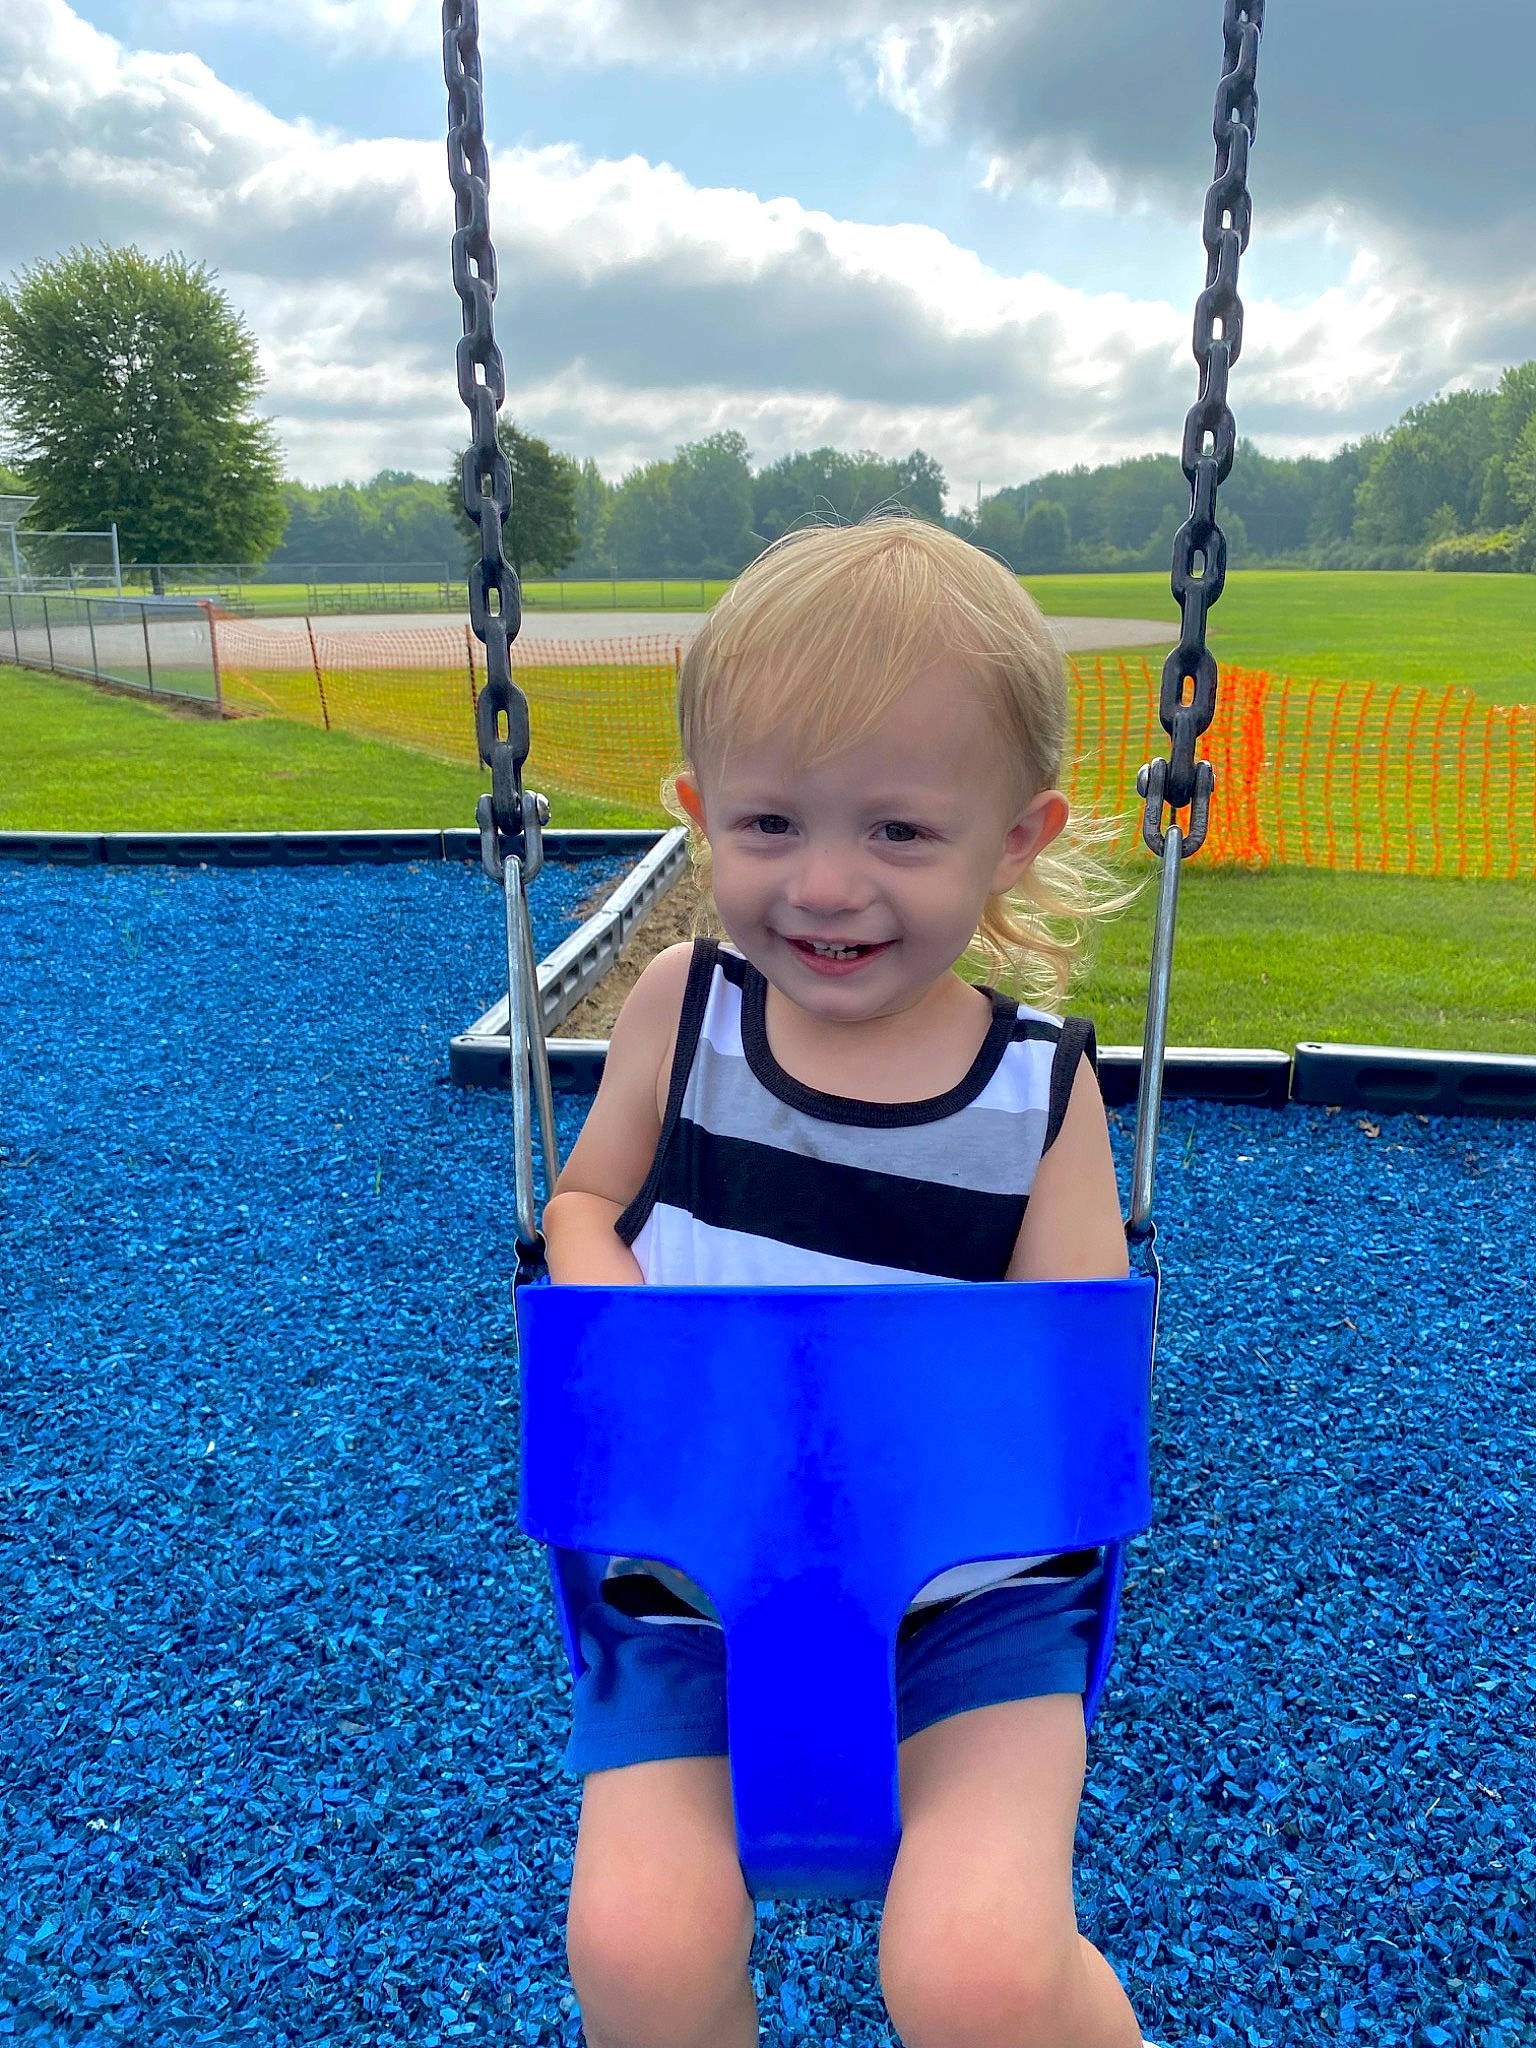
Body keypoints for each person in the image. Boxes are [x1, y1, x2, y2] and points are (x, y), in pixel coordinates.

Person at [541, 515, 1152, 2048]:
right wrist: (640, 1323)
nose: (825, 885)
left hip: (970, 1609)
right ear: (696, 816)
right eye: (766, 825)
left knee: (976, 1975)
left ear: (1014, 837)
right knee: (635, 1946)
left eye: (896, 831)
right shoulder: (680, 1013)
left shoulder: (1039, 1091)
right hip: (693, 1577)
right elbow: (586, 1199)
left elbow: (1062, 1381)